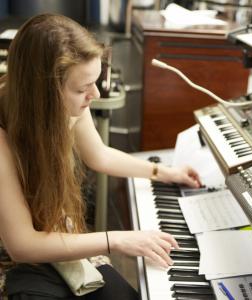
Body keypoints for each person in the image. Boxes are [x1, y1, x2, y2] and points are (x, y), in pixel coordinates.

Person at [0, 13, 201, 299]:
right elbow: (22, 246)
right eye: (82, 88)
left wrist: (164, 172)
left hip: (56, 243)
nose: (94, 94)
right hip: (16, 262)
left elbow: (99, 155)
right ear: (44, 93)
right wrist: (115, 240)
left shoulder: (63, 107)